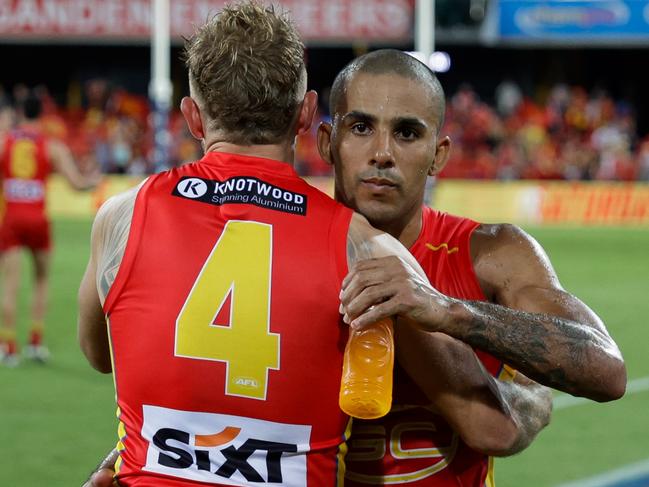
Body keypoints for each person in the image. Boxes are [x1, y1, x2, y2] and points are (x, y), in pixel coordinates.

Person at [78, 5, 520, 486]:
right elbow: (487, 423)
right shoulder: (366, 246)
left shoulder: (121, 217)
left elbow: (101, 354)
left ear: (192, 118)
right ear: (307, 114)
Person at [322, 50, 626, 484]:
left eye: (407, 133)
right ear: (326, 143)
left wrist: (448, 311)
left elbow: (606, 371)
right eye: (361, 127)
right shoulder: (285, 245)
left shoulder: (488, 252)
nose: (382, 153)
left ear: (438, 155)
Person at [0, 92, 100, 367]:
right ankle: (35, 343)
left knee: (10, 283)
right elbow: (77, 184)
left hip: (11, 218)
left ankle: (8, 346)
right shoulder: (51, 146)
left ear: (21, 112)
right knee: (41, 280)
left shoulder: (5, 142)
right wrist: (92, 180)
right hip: (38, 219)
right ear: (41, 114)